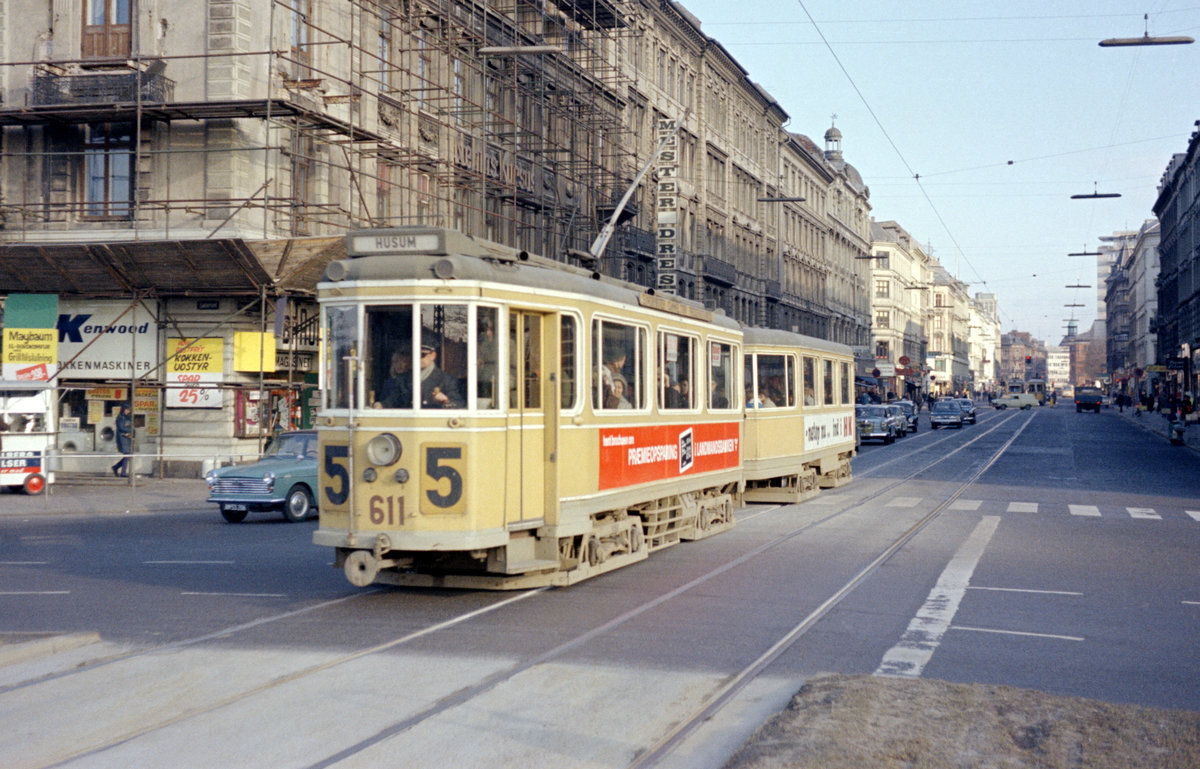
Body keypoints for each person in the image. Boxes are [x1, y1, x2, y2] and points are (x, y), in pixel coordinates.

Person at [419, 333, 462, 408]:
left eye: (422, 355)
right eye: (414, 354)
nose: (417, 358)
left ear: (433, 356)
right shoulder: (403, 379)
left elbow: (459, 404)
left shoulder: (447, 380)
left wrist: (446, 401)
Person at [112, 403, 133, 478]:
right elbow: (121, 428)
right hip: (122, 437)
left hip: (127, 437)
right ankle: (123, 472)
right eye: (126, 410)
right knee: (127, 454)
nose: (128, 411)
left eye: (129, 410)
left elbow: (132, 426)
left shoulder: (128, 417)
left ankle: (116, 467)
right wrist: (130, 430)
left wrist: (132, 432)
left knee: (128, 455)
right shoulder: (120, 417)